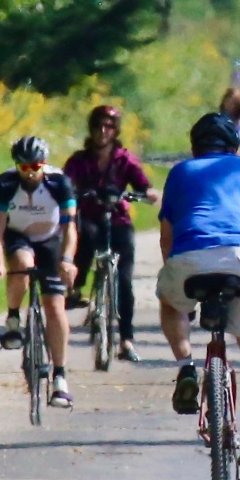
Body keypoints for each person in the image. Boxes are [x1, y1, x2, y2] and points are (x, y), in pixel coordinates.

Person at [156, 112, 240, 480]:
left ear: (195, 147)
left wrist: (175, 275)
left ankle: (185, 366)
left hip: (190, 257)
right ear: (234, 146)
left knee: (170, 300)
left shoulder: (180, 172)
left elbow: (167, 233)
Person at [0, 136, 79, 408]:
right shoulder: (5, 183)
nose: (30, 172)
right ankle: (14, 319)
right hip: (19, 236)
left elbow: (70, 228)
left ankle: (60, 376)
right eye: (23, 167)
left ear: (44, 164)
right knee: (22, 265)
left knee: (55, 306)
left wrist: (67, 259)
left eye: (35, 166)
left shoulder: (59, 183)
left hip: (51, 239)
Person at [63, 105, 158, 362]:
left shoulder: (123, 159)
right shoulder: (79, 160)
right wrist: (68, 192)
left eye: (108, 126)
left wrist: (147, 192)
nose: (103, 131)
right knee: (85, 239)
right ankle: (76, 288)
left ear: (115, 131)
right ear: (91, 129)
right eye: (98, 126)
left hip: (117, 218)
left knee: (124, 281)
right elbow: (65, 182)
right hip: (90, 215)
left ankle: (126, 340)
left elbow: (142, 183)